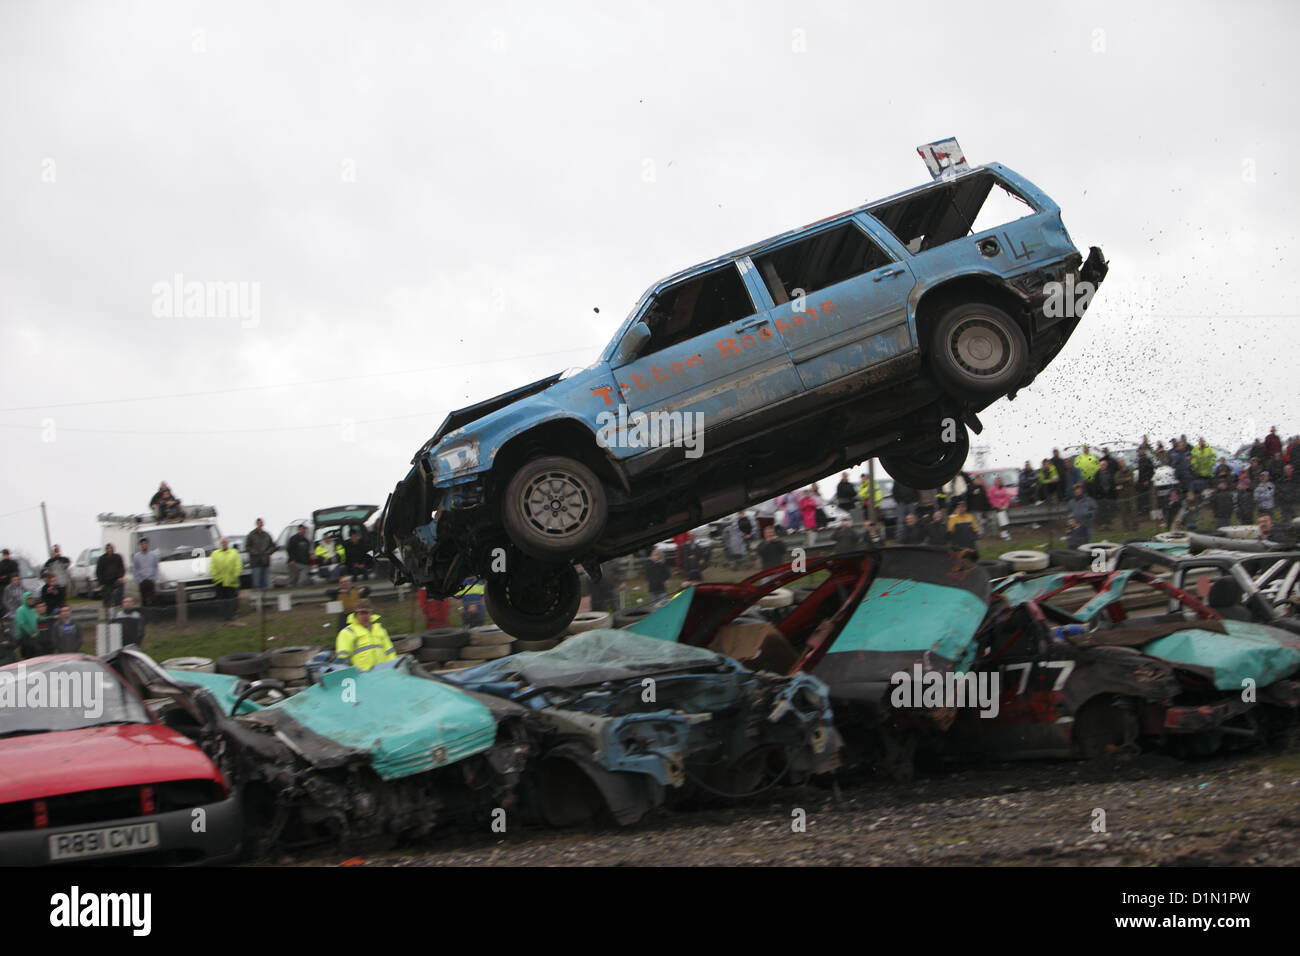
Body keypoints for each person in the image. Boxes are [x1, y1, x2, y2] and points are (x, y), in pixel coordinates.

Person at [333, 598, 395, 671]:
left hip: (383, 672)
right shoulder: (347, 632)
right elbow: (342, 660)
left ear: (371, 614)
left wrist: (392, 669)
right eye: (362, 613)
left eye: (367, 613)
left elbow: (390, 652)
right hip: (362, 675)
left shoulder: (380, 630)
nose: (365, 616)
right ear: (356, 615)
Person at [208, 537, 243, 620]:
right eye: (222, 542)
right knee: (221, 599)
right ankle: (223, 615)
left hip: (232, 581)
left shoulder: (234, 552)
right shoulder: (215, 553)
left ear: (228, 543)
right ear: (220, 544)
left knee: (231, 599)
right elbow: (212, 567)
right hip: (219, 581)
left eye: (225, 542)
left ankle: (232, 615)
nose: (224, 544)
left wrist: (235, 576)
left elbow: (238, 565)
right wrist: (216, 576)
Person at [15, 593, 52, 658]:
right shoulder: (20, 610)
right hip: (25, 638)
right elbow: (22, 624)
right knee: (28, 658)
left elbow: (39, 619)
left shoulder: (32, 610)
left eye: (32, 598)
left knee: (38, 653)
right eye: (29, 598)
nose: (31, 600)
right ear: (24, 599)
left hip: (34, 637)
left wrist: (51, 617)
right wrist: (31, 633)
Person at [246, 518, 275, 591]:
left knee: (265, 584)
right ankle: (257, 597)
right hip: (256, 562)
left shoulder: (267, 535)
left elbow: (273, 546)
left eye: (261, 523)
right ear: (256, 524)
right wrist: (255, 552)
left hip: (265, 562)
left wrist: (268, 552)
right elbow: (247, 547)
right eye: (259, 523)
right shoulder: (251, 535)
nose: (260, 524)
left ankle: (265, 597)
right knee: (256, 584)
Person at [96, 543, 126, 611]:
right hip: (106, 582)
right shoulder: (101, 559)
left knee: (120, 584)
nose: (109, 550)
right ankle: (106, 607)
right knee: (106, 592)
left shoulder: (118, 557)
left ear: (113, 549)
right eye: (108, 548)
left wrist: (121, 577)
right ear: (106, 550)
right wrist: (100, 583)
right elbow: (98, 572)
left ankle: (118, 603)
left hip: (116, 580)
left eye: (111, 548)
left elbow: (122, 568)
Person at [132, 537, 160, 607]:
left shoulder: (153, 555)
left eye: (145, 543)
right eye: (142, 544)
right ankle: (145, 612)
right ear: (140, 545)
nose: (144, 545)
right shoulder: (137, 556)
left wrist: (154, 578)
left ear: (147, 544)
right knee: (143, 600)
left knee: (153, 600)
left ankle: (153, 612)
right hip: (142, 581)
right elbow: (135, 569)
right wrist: (139, 580)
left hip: (151, 580)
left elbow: (156, 567)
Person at [987, 476, 1012, 541]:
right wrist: (998, 506)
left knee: (1005, 520)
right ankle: (1004, 534)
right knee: (1002, 520)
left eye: (1000, 481)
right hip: (997, 507)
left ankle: (1005, 532)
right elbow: (991, 499)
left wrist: (1005, 505)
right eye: (998, 481)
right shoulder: (992, 489)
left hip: (1004, 507)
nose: (999, 482)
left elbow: (1007, 497)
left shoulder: (1004, 488)